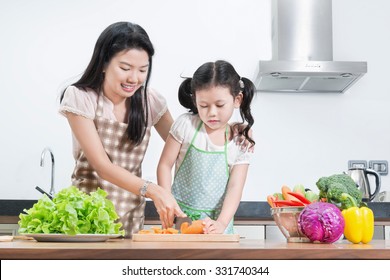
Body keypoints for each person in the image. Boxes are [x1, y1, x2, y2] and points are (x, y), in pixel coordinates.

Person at [58, 21, 186, 238]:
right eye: (125, 68)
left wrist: (228, 132)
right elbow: (102, 166)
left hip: (130, 218)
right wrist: (154, 190)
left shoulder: (150, 101)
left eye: (142, 70)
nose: (133, 78)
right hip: (87, 219)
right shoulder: (80, 97)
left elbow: (183, 146)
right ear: (104, 63)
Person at [157, 60, 256, 234]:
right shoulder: (186, 125)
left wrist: (222, 223)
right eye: (203, 105)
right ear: (195, 100)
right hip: (180, 220)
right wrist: (168, 203)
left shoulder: (239, 141)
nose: (211, 112)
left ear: (237, 99)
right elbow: (165, 165)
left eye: (219, 105)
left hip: (218, 225)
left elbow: (235, 187)